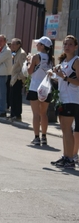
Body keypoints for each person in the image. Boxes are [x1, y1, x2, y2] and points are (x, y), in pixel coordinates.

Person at [50, 35, 79, 168]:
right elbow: (61, 79)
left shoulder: (76, 61)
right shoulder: (64, 62)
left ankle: (70, 158)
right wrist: (54, 75)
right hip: (62, 98)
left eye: (70, 44)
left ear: (75, 47)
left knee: (68, 129)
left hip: (72, 99)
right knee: (64, 129)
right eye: (65, 44)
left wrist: (64, 77)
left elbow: (77, 82)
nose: (67, 46)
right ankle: (66, 156)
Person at [26, 36, 54, 145]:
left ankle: (36, 137)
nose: (37, 45)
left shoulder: (36, 57)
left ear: (42, 46)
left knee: (36, 114)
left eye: (38, 44)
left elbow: (29, 71)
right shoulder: (51, 58)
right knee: (44, 114)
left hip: (35, 87)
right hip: (46, 88)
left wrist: (29, 62)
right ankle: (44, 137)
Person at [9, 38, 27, 120]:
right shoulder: (15, 53)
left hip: (17, 78)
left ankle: (17, 114)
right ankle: (12, 114)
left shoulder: (22, 54)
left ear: (18, 45)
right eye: (11, 44)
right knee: (12, 97)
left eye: (14, 44)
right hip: (13, 78)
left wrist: (19, 77)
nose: (12, 46)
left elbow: (24, 68)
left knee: (17, 97)